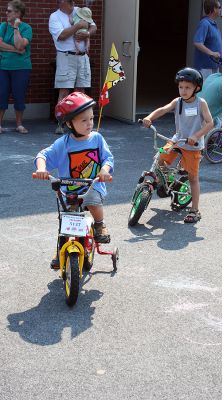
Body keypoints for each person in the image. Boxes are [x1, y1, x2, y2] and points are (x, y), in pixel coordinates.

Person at [34, 92, 114, 268]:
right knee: (65, 219)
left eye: (91, 119)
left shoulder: (97, 139)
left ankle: (99, 224)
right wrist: (41, 168)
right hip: (68, 189)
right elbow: (43, 155)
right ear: (69, 123)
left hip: (92, 185)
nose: (90, 124)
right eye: (84, 120)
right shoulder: (63, 143)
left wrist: (104, 170)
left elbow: (108, 159)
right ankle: (60, 249)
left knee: (93, 202)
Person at [143, 68, 213, 224]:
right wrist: (149, 117)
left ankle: (195, 210)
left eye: (188, 87)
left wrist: (195, 136)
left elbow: (210, 123)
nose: (183, 90)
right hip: (177, 140)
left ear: (197, 88)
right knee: (160, 158)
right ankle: (166, 180)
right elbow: (163, 109)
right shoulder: (178, 101)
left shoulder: (201, 103)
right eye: (181, 87)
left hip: (193, 145)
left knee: (193, 178)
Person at [49, 0, 97, 134]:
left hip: (83, 57)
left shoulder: (79, 11)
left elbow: (93, 26)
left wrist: (87, 33)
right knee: (64, 91)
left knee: (81, 91)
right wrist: (79, 26)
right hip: (65, 56)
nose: (72, 3)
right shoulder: (54, 16)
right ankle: (60, 124)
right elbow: (62, 36)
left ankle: (80, 123)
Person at [0, 0, 32, 134]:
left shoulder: (26, 28)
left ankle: (19, 124)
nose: (6, 12)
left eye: (9, 10)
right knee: (1, 95)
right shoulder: (2, 26)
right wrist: (16, 51)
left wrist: (16, 28)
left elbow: (20, 45)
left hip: (21, 67)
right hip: (3, 67)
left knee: (19, 96)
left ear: (18, 13)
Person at [193, 0, 222, 81]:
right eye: (219, 7)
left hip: (213, 66)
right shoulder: (204, 23)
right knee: (204, 92)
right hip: (205, 68)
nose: (220, 9)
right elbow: (197, 42)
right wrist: (212, 53)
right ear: (214, 9)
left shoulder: (212, 23)